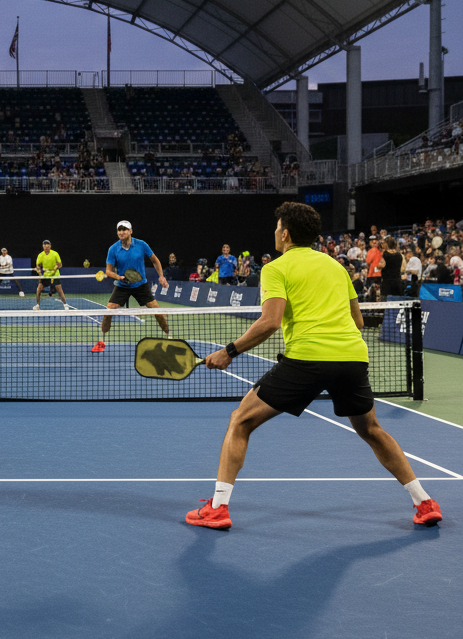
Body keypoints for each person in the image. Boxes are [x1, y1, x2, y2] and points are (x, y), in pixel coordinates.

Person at [186, 201, 442, 531]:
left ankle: (218, 508)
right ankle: (424, 502)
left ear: (286, 234)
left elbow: (270, 322)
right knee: (371, 429)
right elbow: (358, 320)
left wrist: (228, 351)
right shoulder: (336, 267)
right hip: (352, 357)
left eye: (277, 227)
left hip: (307, 358)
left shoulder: (276, 268)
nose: (275, 232)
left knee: (240, 420)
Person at [91, 221, 168, 352]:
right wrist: (119, 277)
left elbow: (155, 260)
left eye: (124, 229)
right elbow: (108, 271)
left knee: (158, 312)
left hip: (140, 285)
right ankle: (102, 341)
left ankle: (169, 338)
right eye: (119, 230)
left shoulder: (142, 245)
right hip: (122, 285)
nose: (121, 232)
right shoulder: (113, 249)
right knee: (108, 311)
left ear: (130, 231)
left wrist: (161, 276)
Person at [32, 240, 69, 309]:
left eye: (48, 245)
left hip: (55, 275)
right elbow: (38, 266)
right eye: (45, 245)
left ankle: (65, 305)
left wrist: (55, 268)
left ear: (50, 246)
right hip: (46, 275)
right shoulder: (40, 255)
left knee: (59, 291)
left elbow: (60, 264)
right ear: (43, 246)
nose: (46, 246)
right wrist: (37, 269)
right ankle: (37, 305)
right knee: (39, 289)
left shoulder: (55, 254)